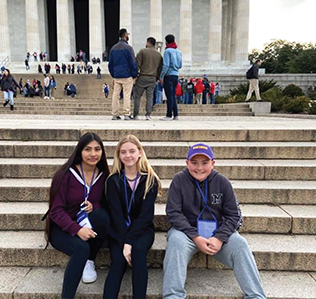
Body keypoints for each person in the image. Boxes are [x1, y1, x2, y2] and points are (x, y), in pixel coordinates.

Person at [163, 143, 267, 299]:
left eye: (205, 163)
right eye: (194, 162)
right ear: (187, 163)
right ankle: (173, 295)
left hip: (216, 234)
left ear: (213, 163)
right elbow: (173, 213)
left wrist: (219, 237)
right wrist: (195, 237)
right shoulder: (178, 180)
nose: (199, 168)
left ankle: (256, 296)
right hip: (187, 234)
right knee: (176, 241)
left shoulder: (222, 182)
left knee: (240, 244)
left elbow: (234, 215)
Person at [46, 132, 111, 299]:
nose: (93, 154)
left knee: (102, 217)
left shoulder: (104, 175)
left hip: (87, 221)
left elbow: (106, 204)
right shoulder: (65, 174)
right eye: (87, 149)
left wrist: (94, 205)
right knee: (80, 248)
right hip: (62, 227)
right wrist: (77, 229)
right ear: (79, 151)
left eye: (97, 149)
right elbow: (55, 211)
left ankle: (89, 260)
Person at [103, 134, 162, 299]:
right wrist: (124, 241)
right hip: (118, 229)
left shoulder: (150, 180)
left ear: (140, 153)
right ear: (119, 155)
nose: (127, 155)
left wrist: (129, 242)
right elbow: (115, 214)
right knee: (118, 261)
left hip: (143, 230)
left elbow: (146, 216)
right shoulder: (113, 180)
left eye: (131, 151)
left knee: (138, 252)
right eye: (123, 152)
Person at [108, 28, 137, 120]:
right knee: (127, 94)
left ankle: (114, 114)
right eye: (127, 34)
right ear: (125, 35)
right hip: (127, 75)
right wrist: (134, 74)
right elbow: (132, 63)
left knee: (115, 95)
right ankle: (126, 113)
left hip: (117, 75)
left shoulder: (113, 48)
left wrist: (113, 74)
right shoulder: (129, 48)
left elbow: (110, 64)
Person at [133, 37, 163, 120]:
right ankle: (148, 114)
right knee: (150, 97)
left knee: (137, 96)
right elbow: (160, 68)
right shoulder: (158, 54)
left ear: (147, 43)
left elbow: (137, 64)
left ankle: (136, 114)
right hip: (153, 77)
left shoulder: (142, 51)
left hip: (142, 76)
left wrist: (136, 75)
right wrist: (157, 77)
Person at [159, 34, 182, 121]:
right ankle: (175, 114)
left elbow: (166, 65)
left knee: (169, 96)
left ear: (166, 41)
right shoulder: (178, 52)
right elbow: (180, 65)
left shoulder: (167, 51)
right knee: (173, 95)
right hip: (176, 75)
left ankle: (169, 115)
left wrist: (161, 76)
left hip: (168, 75)